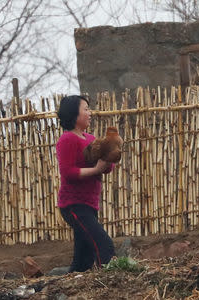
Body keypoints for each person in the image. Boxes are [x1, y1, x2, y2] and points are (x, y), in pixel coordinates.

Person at [56, 95, 115, 272]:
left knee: (84, 259)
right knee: (104, 245)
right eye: (86, 109)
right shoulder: (67, 140)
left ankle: (57, 288)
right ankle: (111, 280)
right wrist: (96, 170)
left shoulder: (91, 139)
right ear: (74, 114)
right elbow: (68, 172)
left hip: (90, 204)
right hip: (73, 205)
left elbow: (106, 168)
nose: (90, 113)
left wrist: (109, 157)